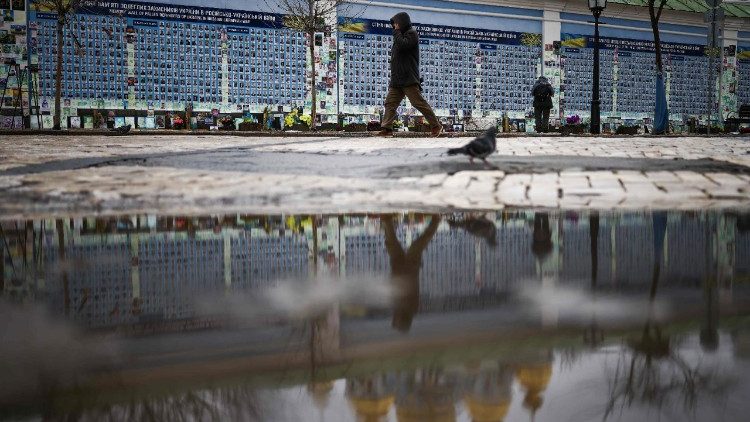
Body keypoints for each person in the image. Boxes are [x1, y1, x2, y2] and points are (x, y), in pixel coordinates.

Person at [378, 12, 442, 138]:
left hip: (408, 78)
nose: (395, 26)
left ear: (402, 22)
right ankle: (387, 128)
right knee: (390, 103)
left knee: (418, 103)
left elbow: (403, 45)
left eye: (396, 24)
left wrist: (396, 32)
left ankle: (436, 126)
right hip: (397, 79)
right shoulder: (400, 35)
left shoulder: (412, 33)